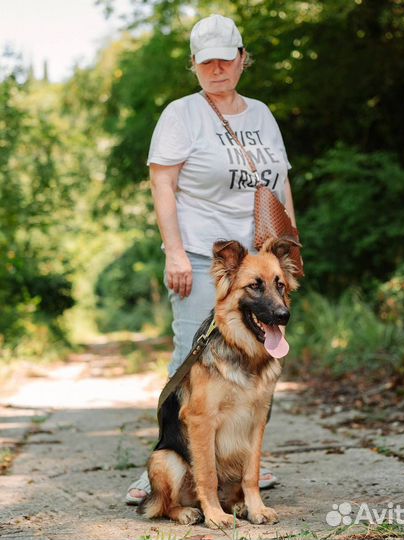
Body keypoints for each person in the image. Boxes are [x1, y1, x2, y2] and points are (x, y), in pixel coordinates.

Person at [126, 13, 299, 505]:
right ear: (195, 66)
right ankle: (165, 461)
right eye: (207, 62)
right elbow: (164, 183)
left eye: (226, 58)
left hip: (260, 265)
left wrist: (291, 250)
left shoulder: (262, 113)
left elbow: (280, 183)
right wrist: (175, 252)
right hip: (205, 257)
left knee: (260, 358)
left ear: (243, 58)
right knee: (191, 360)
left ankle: (242, 464)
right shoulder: (182, 114)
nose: (218, 68)